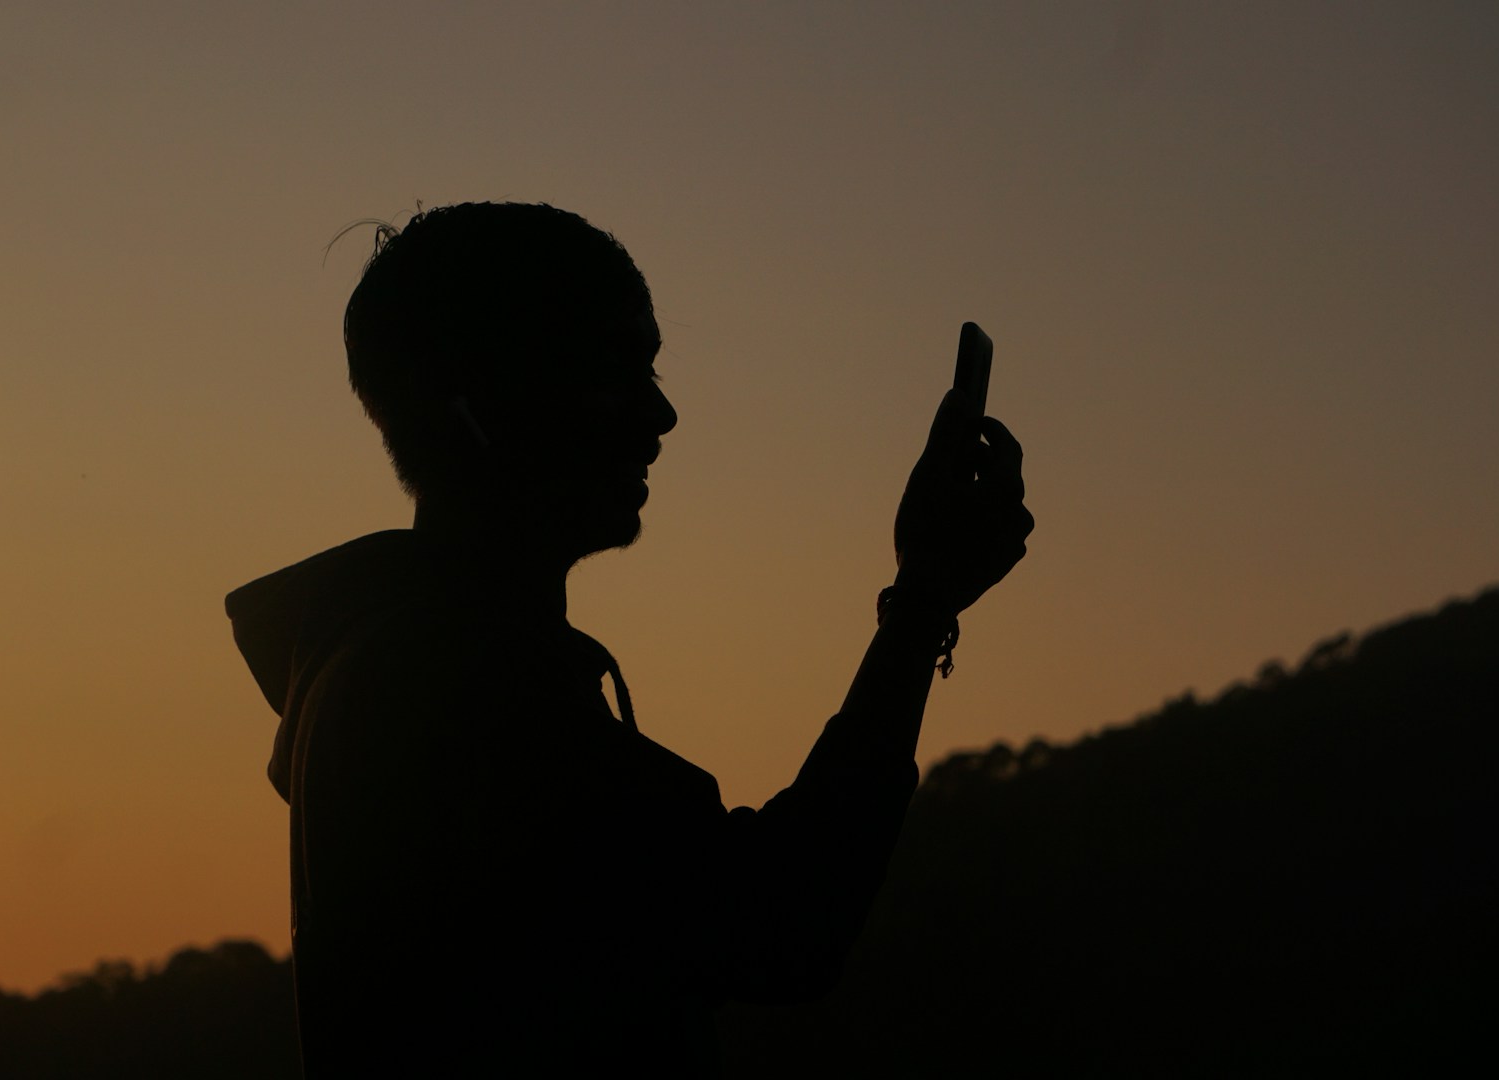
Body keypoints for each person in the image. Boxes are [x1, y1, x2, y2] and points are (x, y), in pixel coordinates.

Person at [225, 202, 1032, 1075]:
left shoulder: (386, 666)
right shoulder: (452, 691)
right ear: (480, 403)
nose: (661, 413)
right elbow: (783, 922)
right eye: (613, 371)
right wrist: (919, 607)